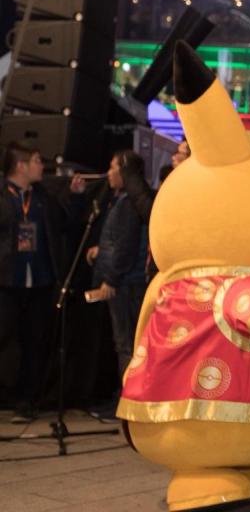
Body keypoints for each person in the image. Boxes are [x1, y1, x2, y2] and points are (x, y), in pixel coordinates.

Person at [0, 142, 85, 422]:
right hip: (6, 283)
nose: (42, 166)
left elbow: (64, 225)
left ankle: (27, 401)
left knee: (34, 344)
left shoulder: (43, 197)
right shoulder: (3, 196)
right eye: (37, 160)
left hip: (39, 283)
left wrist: (72, 196)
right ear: (21, 166)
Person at [86, 150, 151, 423]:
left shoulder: (127, 205)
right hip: (126, 282)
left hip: (126, 285)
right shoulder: (122, 202)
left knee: (126, 345)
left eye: (113, 168)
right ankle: (125, 398)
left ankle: (129, 405)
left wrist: (110, 279)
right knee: (124, 343)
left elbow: (125, 249)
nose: (108, 173)